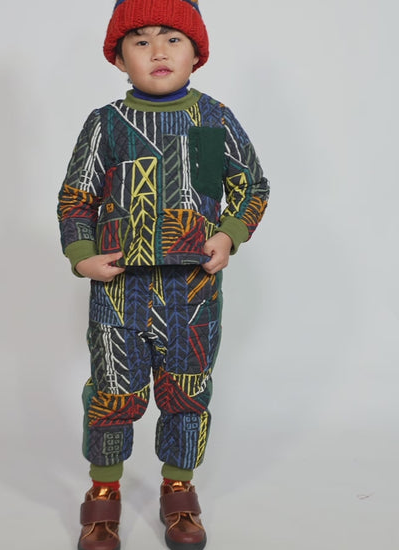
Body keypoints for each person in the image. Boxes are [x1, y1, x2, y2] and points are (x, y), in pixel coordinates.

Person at [57, 1, 269, 548]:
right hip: (118, 287)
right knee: (112, 393)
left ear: (196, 52)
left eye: (172, 38)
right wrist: (81, 254)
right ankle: (103, 493)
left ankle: (178, 491)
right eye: (141, 40)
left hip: (193, 291)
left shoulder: (216, 118)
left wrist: (227, 234)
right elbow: (77, 197)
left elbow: (252, 187)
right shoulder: (104, 124)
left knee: (186, 392)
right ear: (119, 58)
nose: (157, 50)